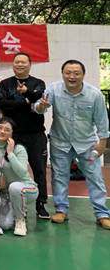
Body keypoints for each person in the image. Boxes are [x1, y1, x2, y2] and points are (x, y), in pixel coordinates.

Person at [35, 60, 110, 229]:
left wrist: (102, 144)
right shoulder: (53, 89)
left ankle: (102, 214)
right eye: (68, 73)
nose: (72, 76)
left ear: (83, 75)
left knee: (95, 178)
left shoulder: (95, 94)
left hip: (87, 145)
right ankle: (61, 210)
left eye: (76, 73)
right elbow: (38, 108)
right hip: (60, 143)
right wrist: (41, 106)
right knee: (59, 177)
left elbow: (102, 121)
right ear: (62, 74)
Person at [0, 52, 49, 219]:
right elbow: (1, 103)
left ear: (29, 65)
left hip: (35, 134)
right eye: (17, 62)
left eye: (23, 62)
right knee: (12, 169)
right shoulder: (5, 84)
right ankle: (15, 202)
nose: (19, 65)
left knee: (39, 169)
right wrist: (25, 102)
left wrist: (27, 93)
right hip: (13, 135)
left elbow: (39, 98)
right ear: (13, 65)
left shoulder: (38, 83)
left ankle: (41, 204)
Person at [0, 118, 38, 236]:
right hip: (5, 193)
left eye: (7, 130)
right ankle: (15, 208)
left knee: (14, 187)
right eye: (0, 127)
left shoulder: (18, 149)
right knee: (5, 225)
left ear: (12, 134)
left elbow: (23, 173)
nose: (2, 131)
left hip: (27, 188)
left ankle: (20, 220)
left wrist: (10, 153)